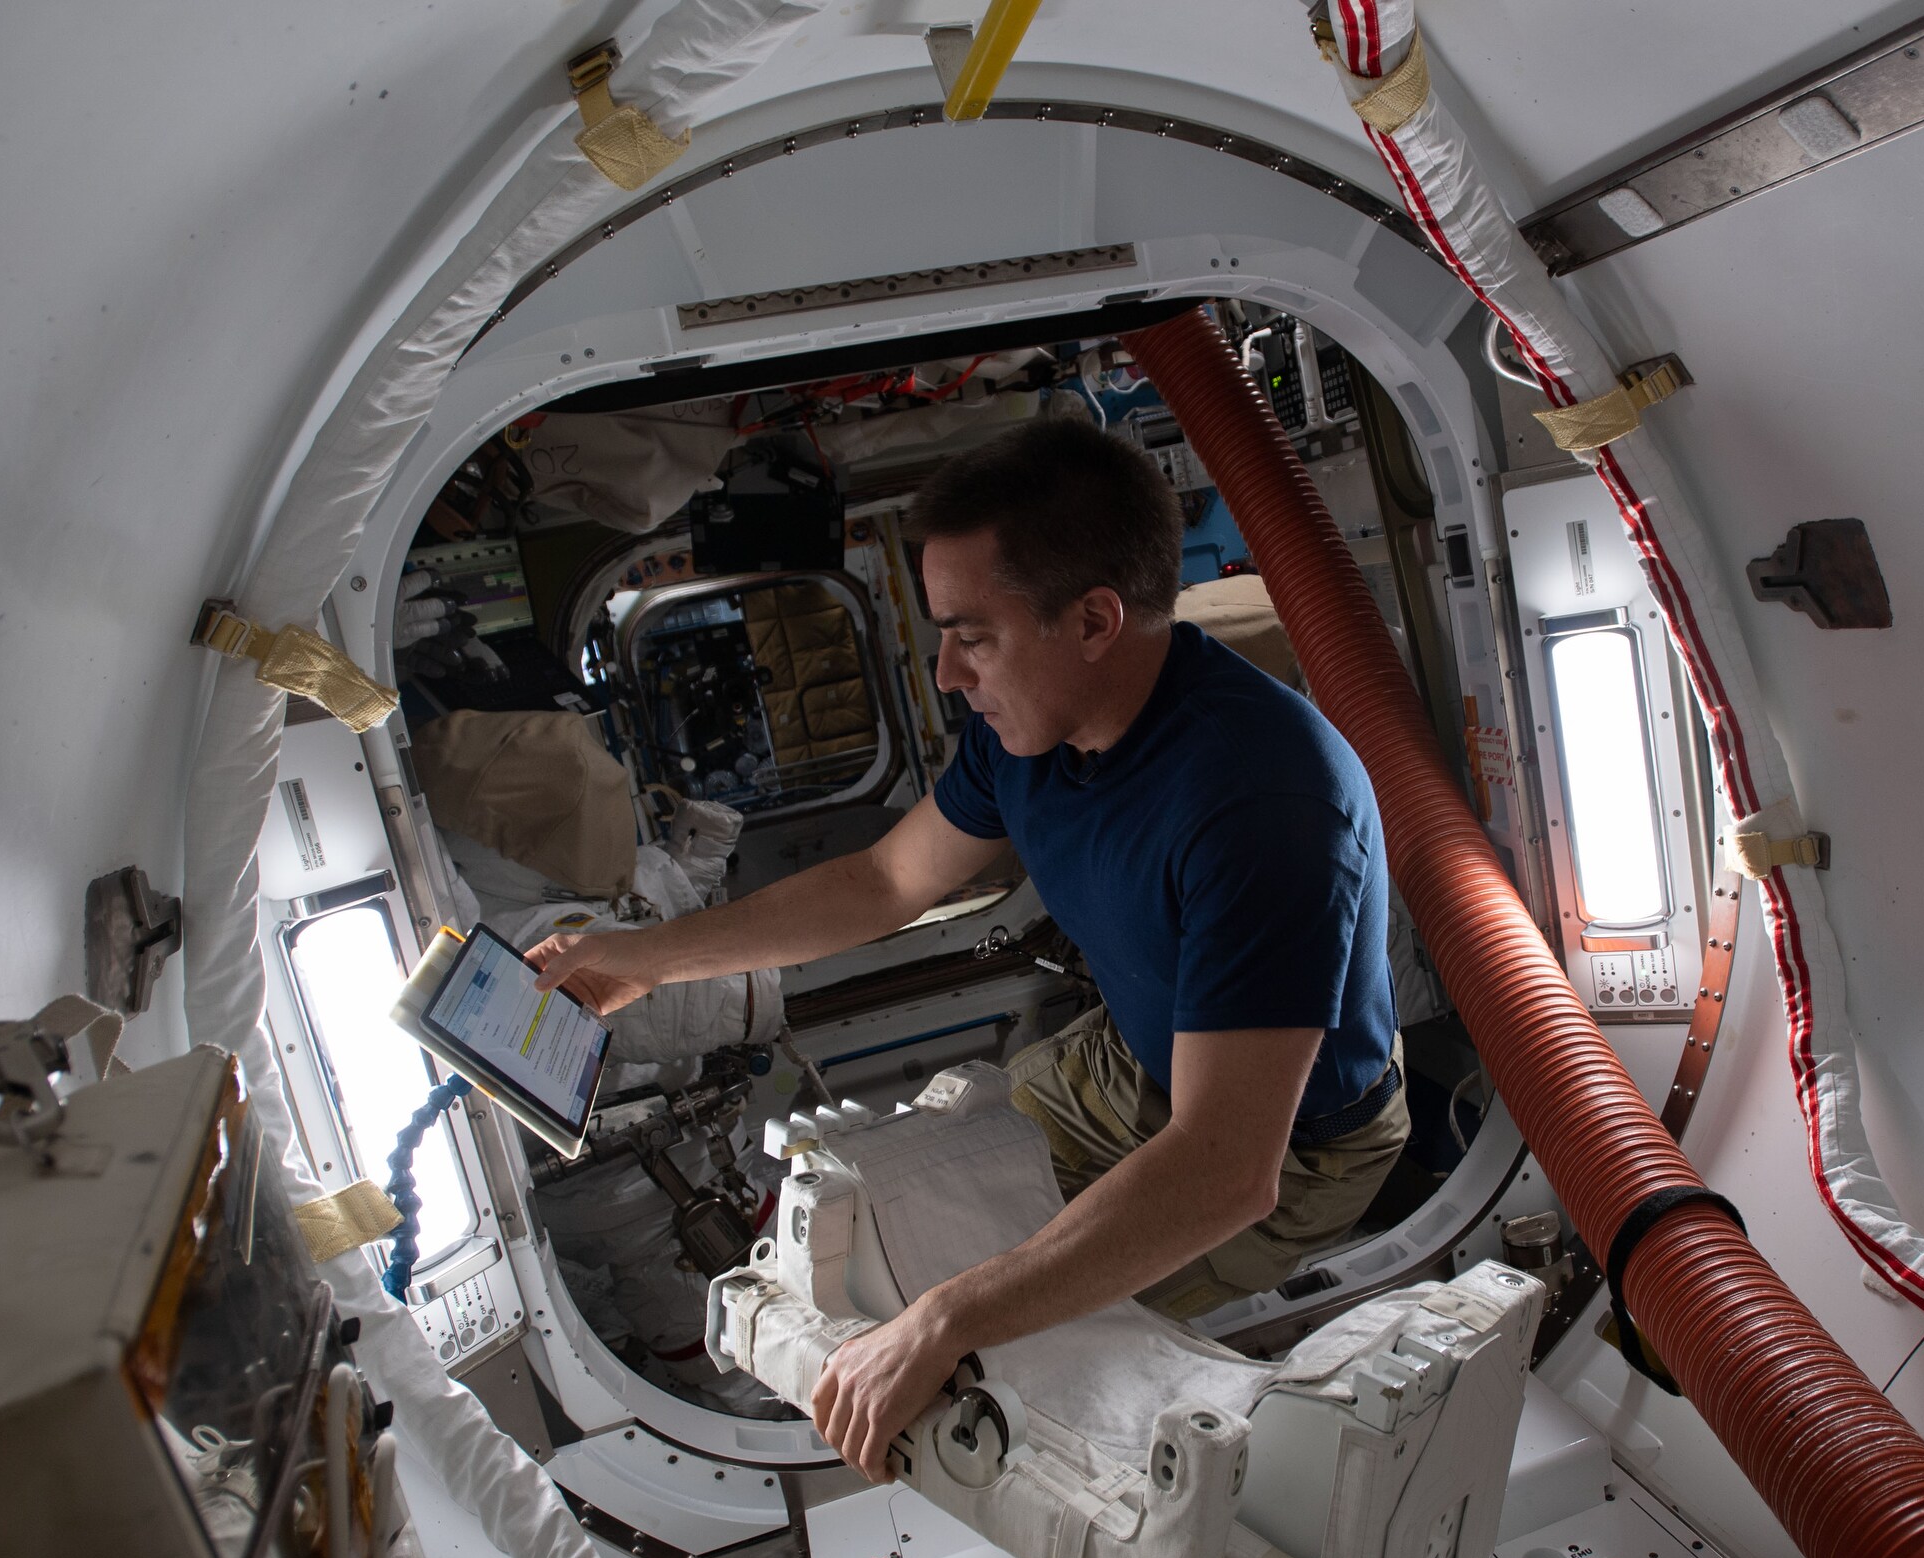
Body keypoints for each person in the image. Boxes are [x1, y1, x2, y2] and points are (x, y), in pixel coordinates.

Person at [527, 416, 1404, 1481]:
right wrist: (648, 957)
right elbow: (886, 879)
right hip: (1134, 1065)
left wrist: (948, 1321)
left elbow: (1226, 1169)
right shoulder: (1026, 730)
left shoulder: (1262, 804)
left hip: (1296, 1143)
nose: (945, 672)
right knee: (895, 1203)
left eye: (972, 634)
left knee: (982, 1342)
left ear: (1093, 619)